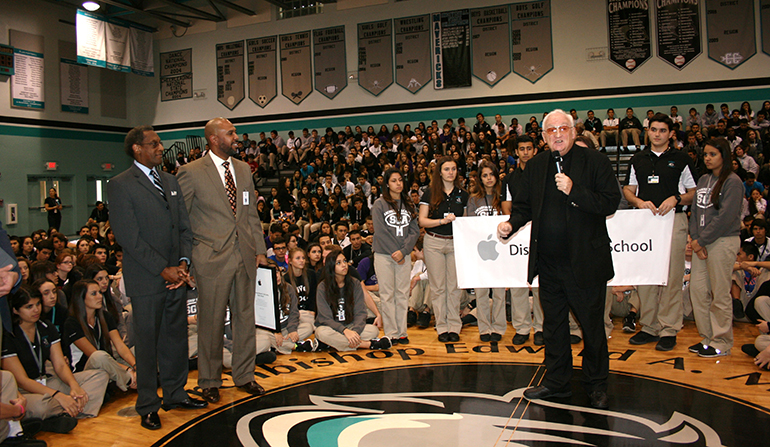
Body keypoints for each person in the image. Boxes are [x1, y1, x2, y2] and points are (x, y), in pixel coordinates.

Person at [496, 109, 620, 410]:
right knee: (553, 327)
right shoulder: (536, 166)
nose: (558, 134)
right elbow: (524, 206)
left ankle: (595, 385)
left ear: (573, 131)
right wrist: (511, 224)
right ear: (543, 137)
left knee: (592, 328)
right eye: (551, 130)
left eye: (563, 128)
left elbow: (610, 202)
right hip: (549, 264)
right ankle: (557, 383)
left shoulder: (595, 161)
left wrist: (574, 190)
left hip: (585, 264)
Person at [107, 125, 207, 431]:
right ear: (137, 148)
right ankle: (148, 404)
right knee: (148, 346)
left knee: (175, 340)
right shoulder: (120, 184)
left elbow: (184, 229)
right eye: (154, 143)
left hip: (176, 277)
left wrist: (183, 264)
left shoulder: (170, 181)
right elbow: (129, 237)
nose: (161, 147)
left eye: (160, 143)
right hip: (148, 280)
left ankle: (175, 394)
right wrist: (162, 268)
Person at [177, 117, 268, 404]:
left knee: (244, 318)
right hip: (210, 259)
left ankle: (244, 375)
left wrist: (261, 251)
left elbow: (250, 213)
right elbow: (181, 221)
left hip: (244, 255)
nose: (236, 136)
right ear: (214, 139)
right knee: (211, 322)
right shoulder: (190, 172)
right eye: (231, 133)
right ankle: (209, 380)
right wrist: (187, 260)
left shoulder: (242, 169)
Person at [624, 113, 697, 352]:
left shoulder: (682, 159)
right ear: (648, 131)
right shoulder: (638, 159)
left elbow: (693, 192)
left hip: (673, 221)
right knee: (646, 276)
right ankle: (649, 326)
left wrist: (676, 198)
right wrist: (637, 202)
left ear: (670, 133)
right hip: (645, 222)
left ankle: (668, 329)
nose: (657, 134)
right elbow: (628, 189)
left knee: (672, 276)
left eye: (662, 130)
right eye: (653, 130)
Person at [2, 287, 109, 431]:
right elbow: (22, 380)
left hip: (48, 380)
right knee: (42, 405)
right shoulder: (9, 336)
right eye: (29, 307)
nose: (36, 310)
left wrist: (74, 386)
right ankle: (68, 409)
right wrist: (58, 396)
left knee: (99, 376)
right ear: (15, 310)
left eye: (38, 304)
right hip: (24, 390)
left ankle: (64, 413)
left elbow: (60, 365)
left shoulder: (46, 327)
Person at [689, 138, 743, 358]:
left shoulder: (733, 181)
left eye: (713, 154)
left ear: (724, 156)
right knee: (698, 291)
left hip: (722, 241)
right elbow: (694, 211)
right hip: (701, 242)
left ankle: (722, 341)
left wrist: (701, 241)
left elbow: (725, 217)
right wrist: (695, 238)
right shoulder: (703, 179)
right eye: (706, 155)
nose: (708, 158)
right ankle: (706, 338)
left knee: (719, 293)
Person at [419, 156, 469, 343]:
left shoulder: (463, 194)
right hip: (434, 242)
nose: (450, 172)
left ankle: (454, 326)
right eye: (447, 169)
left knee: (454, 287)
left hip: (455, 243)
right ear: (439, 172)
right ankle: (441, 326)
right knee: (438, 287)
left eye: (453, 169)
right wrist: (442, 221)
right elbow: (422, 221)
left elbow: (464, 222)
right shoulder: (429, 193)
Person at [372, 169, 420, 344]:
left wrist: (404, 251)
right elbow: (380, 231)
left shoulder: (409, 203)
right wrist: (396, 252)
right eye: (394, 180)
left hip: (404, 255)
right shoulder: (379, 204)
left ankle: (402, 332)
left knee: (402, 294)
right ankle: (391, 333)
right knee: (387, 294)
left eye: (400, 180)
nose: (398, 183)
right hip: (384, 255)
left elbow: (415, 231)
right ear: (387, 184)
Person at [63, 280, 137, 393]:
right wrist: (127, 370)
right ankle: (130, 380)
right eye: (94, 294)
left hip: (109, 363)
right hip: (86, 369)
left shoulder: (105, 316)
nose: (99, 297)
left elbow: (120, 346)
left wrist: (135, 366)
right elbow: (92, 354)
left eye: (100, 293)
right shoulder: (72, 323)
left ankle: (139, 376)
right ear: (81, 297)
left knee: (138, 350)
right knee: (99, 356)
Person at [314, 249, 391, 351]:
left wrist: (355, 331)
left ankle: (333, 344)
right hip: (331, 328)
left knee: (373, 330)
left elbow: (361, 313)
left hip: (351, 325)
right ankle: (368, 344)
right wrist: (344, 331)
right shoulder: (322, 287)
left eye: (345, 261)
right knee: (321, 333)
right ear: (331, 267)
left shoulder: (355, 283)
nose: (344, 265)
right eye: (338, 263)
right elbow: (325, 318)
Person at [467, 161, 507, 343]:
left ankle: (499, 327)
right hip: (479, 250)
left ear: (496, 176)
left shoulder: (503, 197)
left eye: (491, 174)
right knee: (481, 292)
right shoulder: (474, 199)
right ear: (480, 179)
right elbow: (468, 225)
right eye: (485, 175)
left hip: (500, 250)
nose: (489, 178)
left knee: (499, 293)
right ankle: (484, 327)